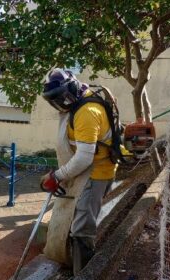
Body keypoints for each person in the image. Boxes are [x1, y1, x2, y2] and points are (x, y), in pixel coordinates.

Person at [40, 68, 117, 276]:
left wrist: (56, 176)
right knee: (74, 220)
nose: (61, 104)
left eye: (63, 98)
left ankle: (84, 273)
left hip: (95, 172)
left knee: (82, 228)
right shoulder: (80, 102)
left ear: (73, 88)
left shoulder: (86, 113)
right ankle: (71, 263)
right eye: (55, 100)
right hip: (87, 169)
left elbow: (84, 157)